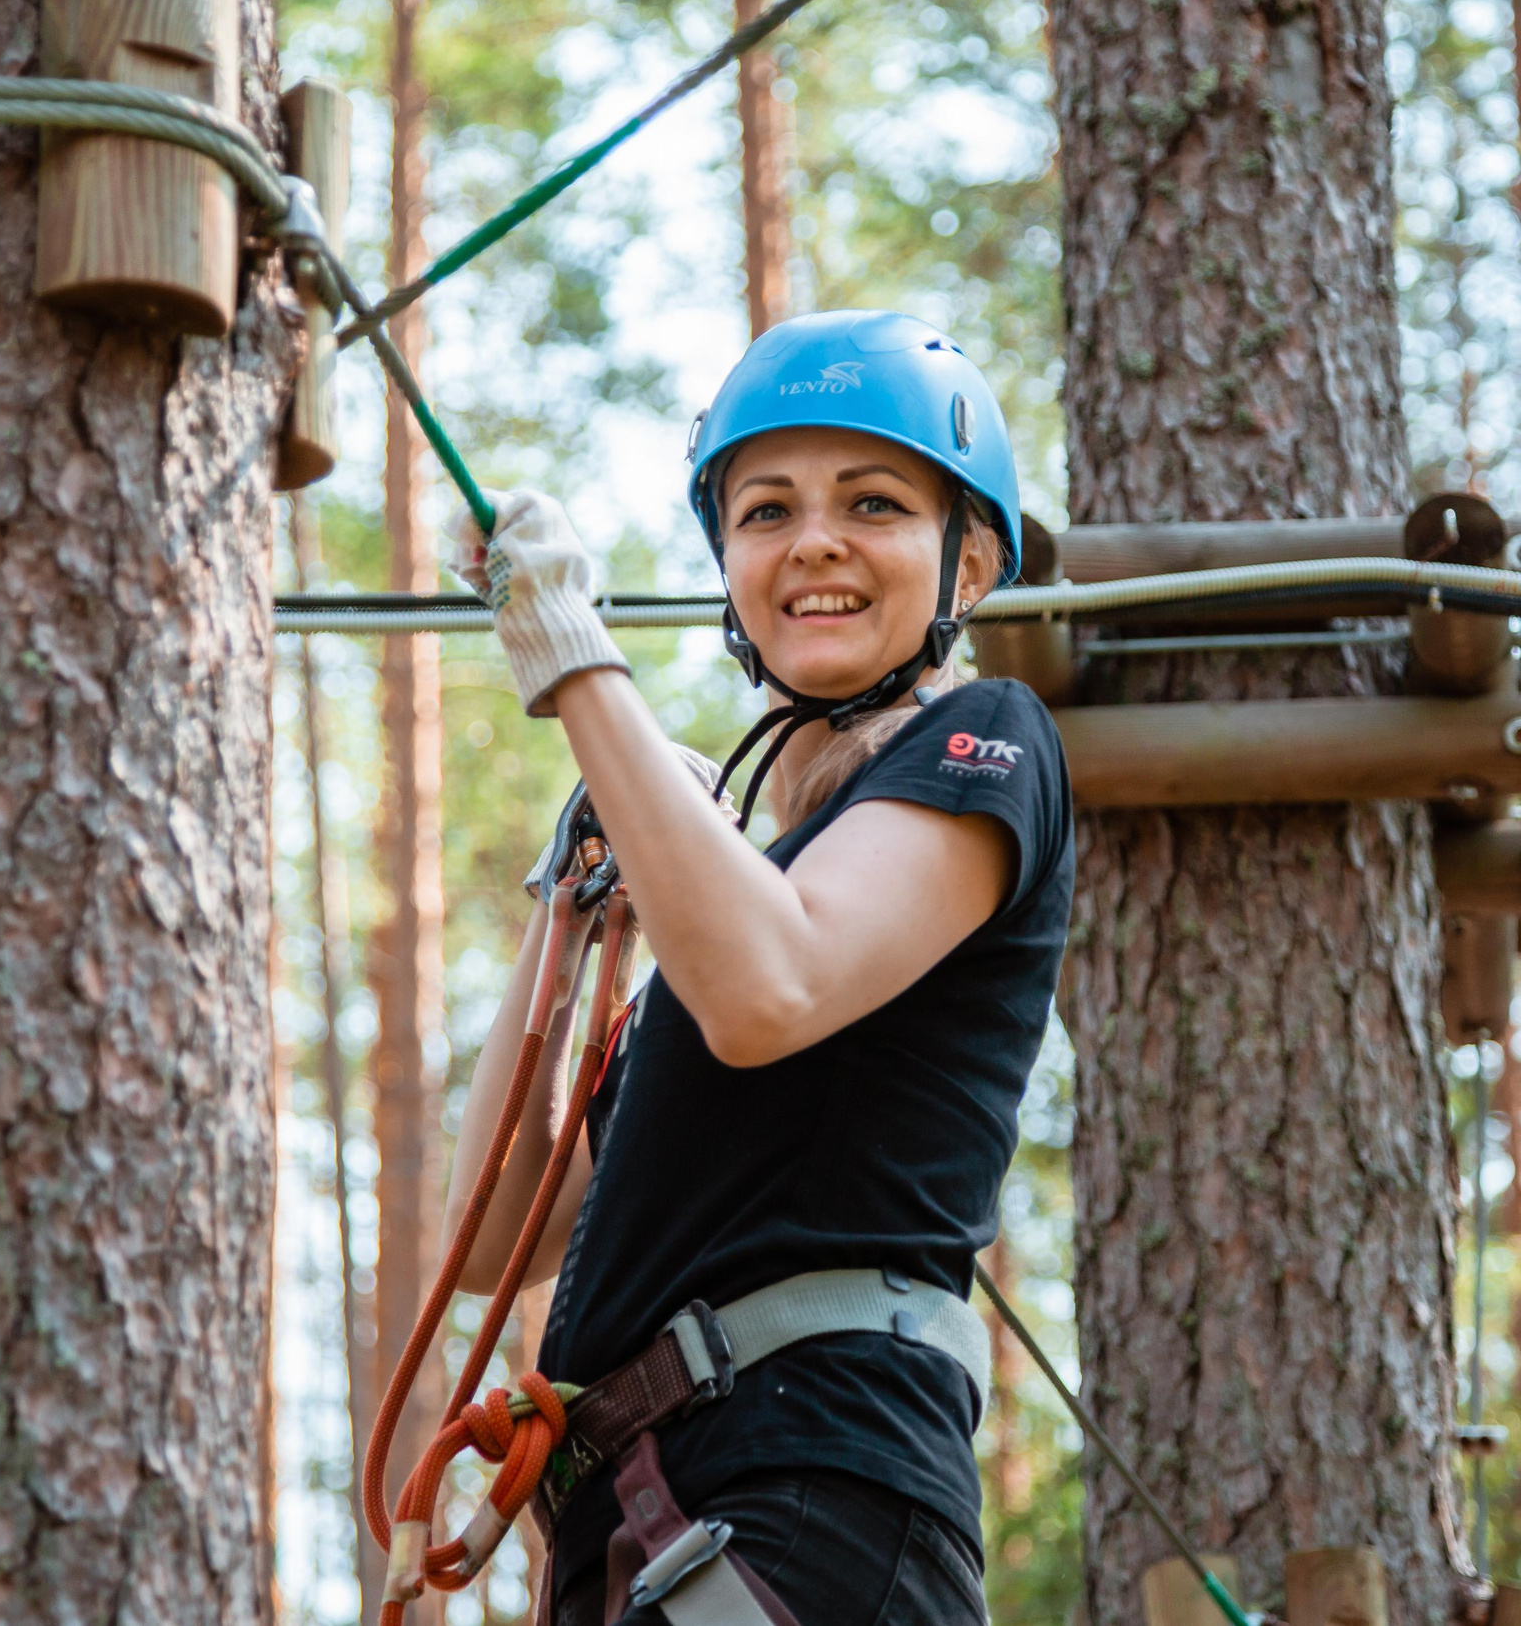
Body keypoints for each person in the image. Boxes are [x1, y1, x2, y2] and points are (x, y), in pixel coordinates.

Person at [440, 310, 1076, 1626]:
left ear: (966, 566)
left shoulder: (986, 740)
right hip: (646, 1518)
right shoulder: (725, 908)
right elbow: (490, 1236)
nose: (816, 541)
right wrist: (575, 908)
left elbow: (771, 991)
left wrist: (577, 664)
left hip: (807, 1492)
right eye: (766, 510)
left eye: (876, 503)